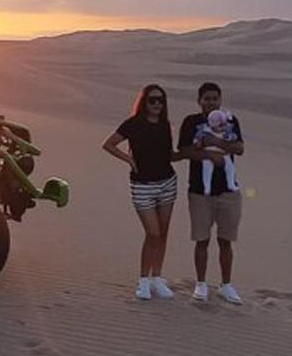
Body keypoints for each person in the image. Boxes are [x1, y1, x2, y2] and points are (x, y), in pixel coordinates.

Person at [102, 84, 177, 301]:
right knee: (152, 232)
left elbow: (168, 154)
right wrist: (128, 160)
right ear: (144, 102)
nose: (157, 104)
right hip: (142, 185)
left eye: (161, 100)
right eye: (152, 100)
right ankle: (143, 280)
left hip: (167, 182)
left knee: (163, 232)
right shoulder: (133, 123)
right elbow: (109, 144)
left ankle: (157, 278)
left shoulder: (164, 124)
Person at [178, 82, 245, 304]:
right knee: (202, 240)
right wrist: (208, 155)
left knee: (226, 241)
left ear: (220, 100)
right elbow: (184, 150)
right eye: (207, 98)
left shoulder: (230, 120)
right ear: (199, 101)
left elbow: (240, 148)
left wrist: (216, 142)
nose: (211, 102)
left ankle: (226, 285)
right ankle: (201, 284)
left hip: (228, 192)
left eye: (215, 98)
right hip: (200, 192)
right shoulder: (191, 122)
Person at [197, 108, 239, 196]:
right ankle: (207, 187)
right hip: (208, 154)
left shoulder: (225, 132)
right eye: (220, 126)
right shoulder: (206, 131)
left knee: (230, 168)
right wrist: (199, 142)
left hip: (224, 154)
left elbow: (233, 138)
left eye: (224, 125)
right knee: (207, 170)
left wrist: (229, 136)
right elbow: (198, 139)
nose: (222, 128)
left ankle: (231, 184)